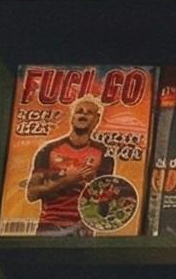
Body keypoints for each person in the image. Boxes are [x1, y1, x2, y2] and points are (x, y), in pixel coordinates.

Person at [26, 93, 114, 231]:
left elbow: (105, 200)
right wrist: (67, 180)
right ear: (72, 117)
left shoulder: (104, 153)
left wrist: (94, 185)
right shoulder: (48, 150)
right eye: (79, 111)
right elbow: (32, 194)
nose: (83, 115)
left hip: (83, 228)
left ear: (97, 119)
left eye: (89, 113)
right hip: (50, 225)